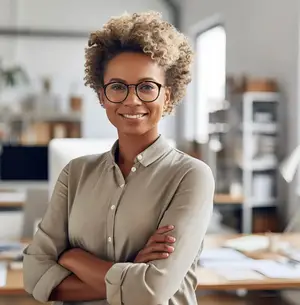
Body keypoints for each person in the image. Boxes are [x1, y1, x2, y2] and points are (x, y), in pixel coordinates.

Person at [23, 11, 214, 305]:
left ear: (168, 95)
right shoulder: (75, 173)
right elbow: (34, 275)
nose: (132, 99)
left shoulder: (191, 176)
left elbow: (152, 293)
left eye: (147, 86)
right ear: (102, 96)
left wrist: (71, 257)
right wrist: (131, 272)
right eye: (117, 87)